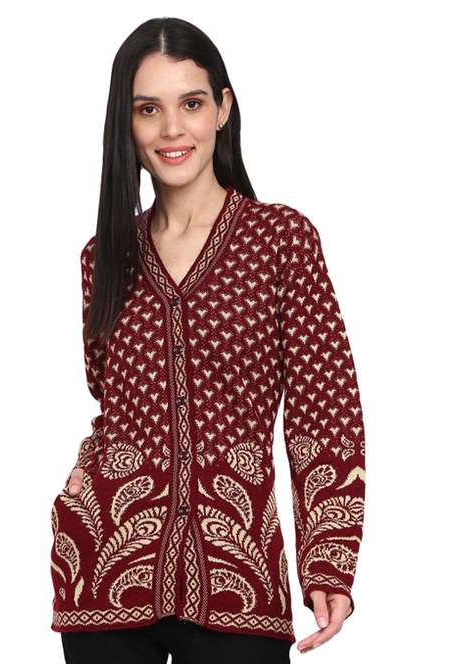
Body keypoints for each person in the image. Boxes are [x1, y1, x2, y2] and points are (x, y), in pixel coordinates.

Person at [50, 16, 366, 663]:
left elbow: (326, 411)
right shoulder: (103, 256)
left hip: (239, 582)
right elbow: (111, 401)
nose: (172, 128)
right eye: (148, 109)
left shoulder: (280, 240)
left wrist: (328, 560)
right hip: (103, 574)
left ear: (222, 109)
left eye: (191, 103)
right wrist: (83, 475)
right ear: (126, 124)